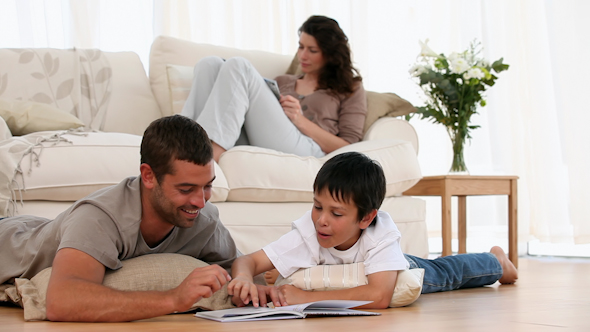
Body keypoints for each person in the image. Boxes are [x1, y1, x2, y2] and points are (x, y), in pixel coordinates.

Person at [0, 115, 241, 322]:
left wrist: (253, 284)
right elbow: (62, 301)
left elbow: (239, 267)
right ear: (148, 176)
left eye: (207, 186)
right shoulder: (99, 217)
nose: (200, 201)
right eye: (186, 189)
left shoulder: (203, 219)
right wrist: (172, 298)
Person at [227, 152, 518, 309]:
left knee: (445, 273)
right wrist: (242, 278)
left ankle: (496, 261)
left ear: (366, 218)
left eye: (336, 213)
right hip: (353, 278)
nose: (321, 220)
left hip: (393, 269)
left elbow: (379, 296)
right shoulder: (310, 231)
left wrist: (304, 298)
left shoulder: (380, 231)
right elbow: (248, 260)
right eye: (317, 206)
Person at [181, 15, 367, 162]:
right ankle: (181, 144)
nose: (302, 55)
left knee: (239, 66)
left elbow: (348, 146)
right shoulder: (283, 81)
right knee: (209, 64)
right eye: (301, 47)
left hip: (309, 148)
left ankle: (208, 158)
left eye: (312, 50)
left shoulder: (350, 88)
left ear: (330, 54)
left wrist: (300, 120)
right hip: (261, 140)